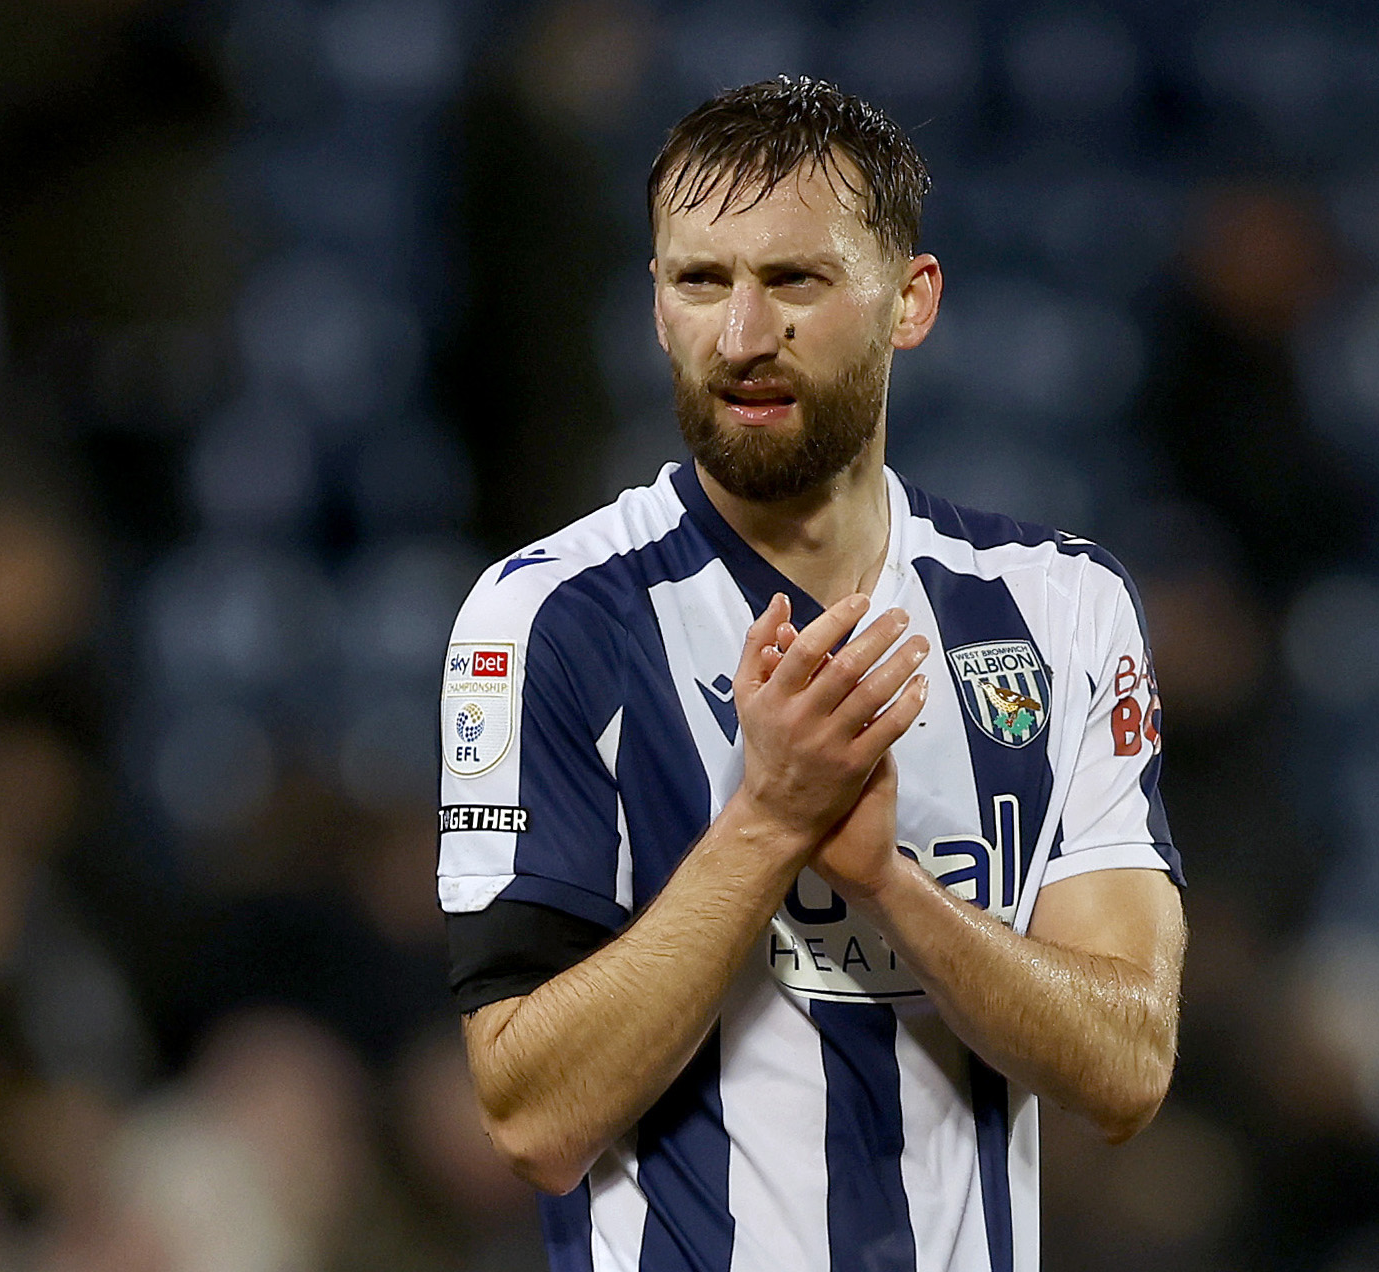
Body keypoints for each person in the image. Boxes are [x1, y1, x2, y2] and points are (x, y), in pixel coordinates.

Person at [438, 77, 1186, 1272]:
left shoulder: (1058, 609)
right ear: (654, 304)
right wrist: (771, 821)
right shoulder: (546, 620)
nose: (740, 337)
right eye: (699, 282)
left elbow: (1125, 1067)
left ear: (910, 301)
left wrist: (889, 882)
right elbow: (530, 1116)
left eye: (793, 281)